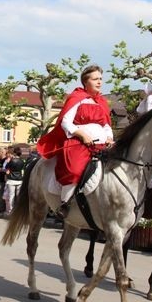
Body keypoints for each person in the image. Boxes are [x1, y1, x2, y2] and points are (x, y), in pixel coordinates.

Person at [37, 64, 113, 214]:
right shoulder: (77, 98)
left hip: (102, 145)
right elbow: (66, 122)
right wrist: (82, 135)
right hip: (79, 143)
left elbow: (106, 124)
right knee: (75, 169)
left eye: (101, 79)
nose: (99, 82)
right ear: (86, 82)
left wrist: (110, 137)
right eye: (95, 79)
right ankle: (65, 204)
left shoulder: (101, 102)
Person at [3, 147, 24, 215]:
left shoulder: (12, 160)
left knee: (11, 196)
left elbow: (6, 167)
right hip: (19, 179)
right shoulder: (22, 161)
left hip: (11, 180)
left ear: (14, 152)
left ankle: (11, 210)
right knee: (18, 196)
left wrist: (9, 161)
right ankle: (18, 210)